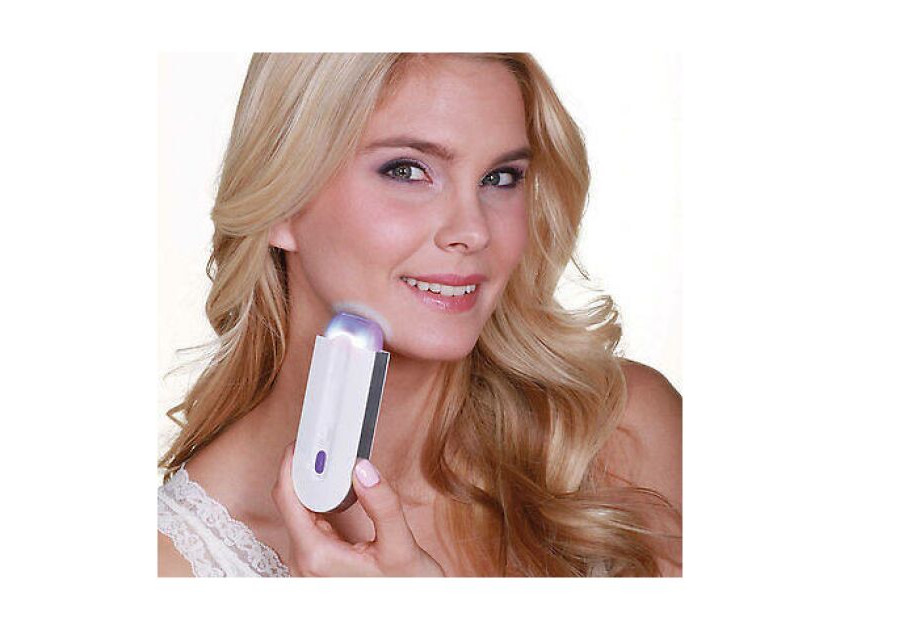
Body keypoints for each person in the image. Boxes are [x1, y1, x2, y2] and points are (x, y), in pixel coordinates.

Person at [157, 53, 682, 577]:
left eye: (500, 177)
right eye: (407, 171)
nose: (473, 230)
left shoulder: (619, 438)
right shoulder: (173, 567)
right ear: (283, 203)